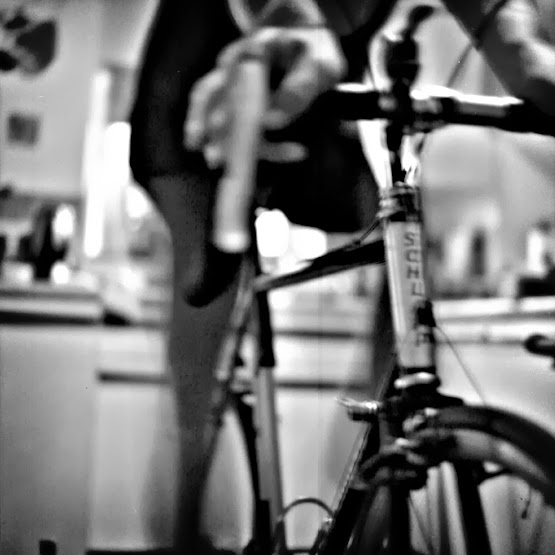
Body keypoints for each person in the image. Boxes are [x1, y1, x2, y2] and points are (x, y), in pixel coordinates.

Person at [129, 0, 555, 553]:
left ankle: (370, 453)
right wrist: (296, 21)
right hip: (196, 99)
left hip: (311, 101)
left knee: (399, 224)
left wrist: (530, 60)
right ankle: (182, 527)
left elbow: (513, 42)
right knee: (204, 316)